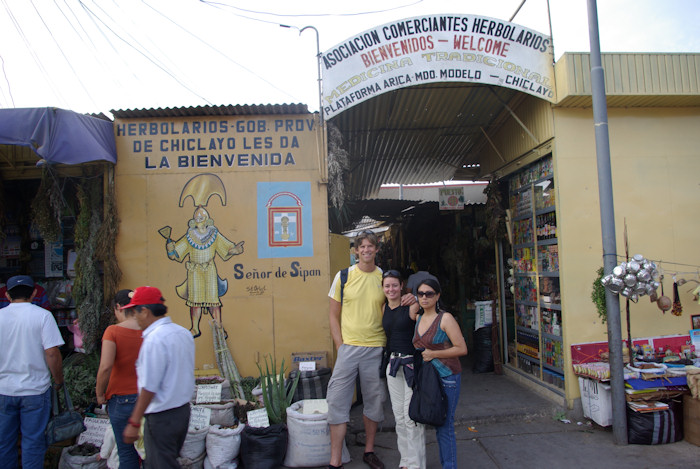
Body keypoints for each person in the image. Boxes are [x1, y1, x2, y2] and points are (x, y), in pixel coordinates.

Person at [327, 231, 414, 469]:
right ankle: (335, 459)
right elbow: (333, 315)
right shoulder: (343, 276)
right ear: (356, 250)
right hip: (348, 348)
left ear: (377, 250)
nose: (366, 250)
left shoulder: (382, 278)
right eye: (362, 246)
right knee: (337, 401)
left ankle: (369, 450)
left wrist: (410, 299)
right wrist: (340, 346)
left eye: (370, 246)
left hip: (376, 348)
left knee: (374, 402)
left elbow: (396, 302)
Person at [122, 286, 195, 467]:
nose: (134, 318)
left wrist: (134, 421)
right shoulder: (183, 333)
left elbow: (149, 387)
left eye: (134, 312)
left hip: (162, 416)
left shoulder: (154, 340)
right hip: (182, 413)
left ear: (145, 311)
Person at [0, 275, 64, 469]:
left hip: (3, 390)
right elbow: (52, 353)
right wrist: (58, 380)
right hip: (35, 391)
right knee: (33, 442)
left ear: (8, 295)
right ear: (34, 293)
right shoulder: (43, 316)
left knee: (3, 443)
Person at [412, 278, 468, 469]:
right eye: (420, 294)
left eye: (429, 294)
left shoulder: (445, 318)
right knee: (433, 421)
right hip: (428, 378)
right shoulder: (418, 317)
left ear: (437, 296)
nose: (424, 297)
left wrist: (434, 353)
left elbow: (462, 348)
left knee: (444, 425)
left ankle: (449, 466)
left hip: (447, 376)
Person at [165, 205, 244, 338]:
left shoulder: (214, 234)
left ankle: (219, 327)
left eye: (201, 217)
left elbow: (226, 247)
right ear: (193, 220)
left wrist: (234, 250)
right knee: (195, 302)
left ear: (207, 219)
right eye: (196, 217)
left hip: (209, 270)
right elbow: (176, 254)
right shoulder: (190, 236)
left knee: (213, 301)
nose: (199, 219)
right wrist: (170, 249)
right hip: (194, 270)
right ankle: (195, 328)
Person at [381, 270, 425, 469]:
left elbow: (429, 310)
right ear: (383, 289)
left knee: (411, 417)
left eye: (394, 285)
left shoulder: (411, 305)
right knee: (398, 416)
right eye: (387, 286)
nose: (391, 289)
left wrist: (416, 296)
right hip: (393, 365)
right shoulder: (383, 308)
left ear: (401, 287)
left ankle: (417, 464)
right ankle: (405, 460)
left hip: (411, 365)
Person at [95, 289, 143, 469]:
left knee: (126, 453)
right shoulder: (150, 330)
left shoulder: (113, 331)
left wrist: (100, 394)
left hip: (122, 401)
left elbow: (105, 367)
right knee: (149, 453)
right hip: (149, 400)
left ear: (118, 307)